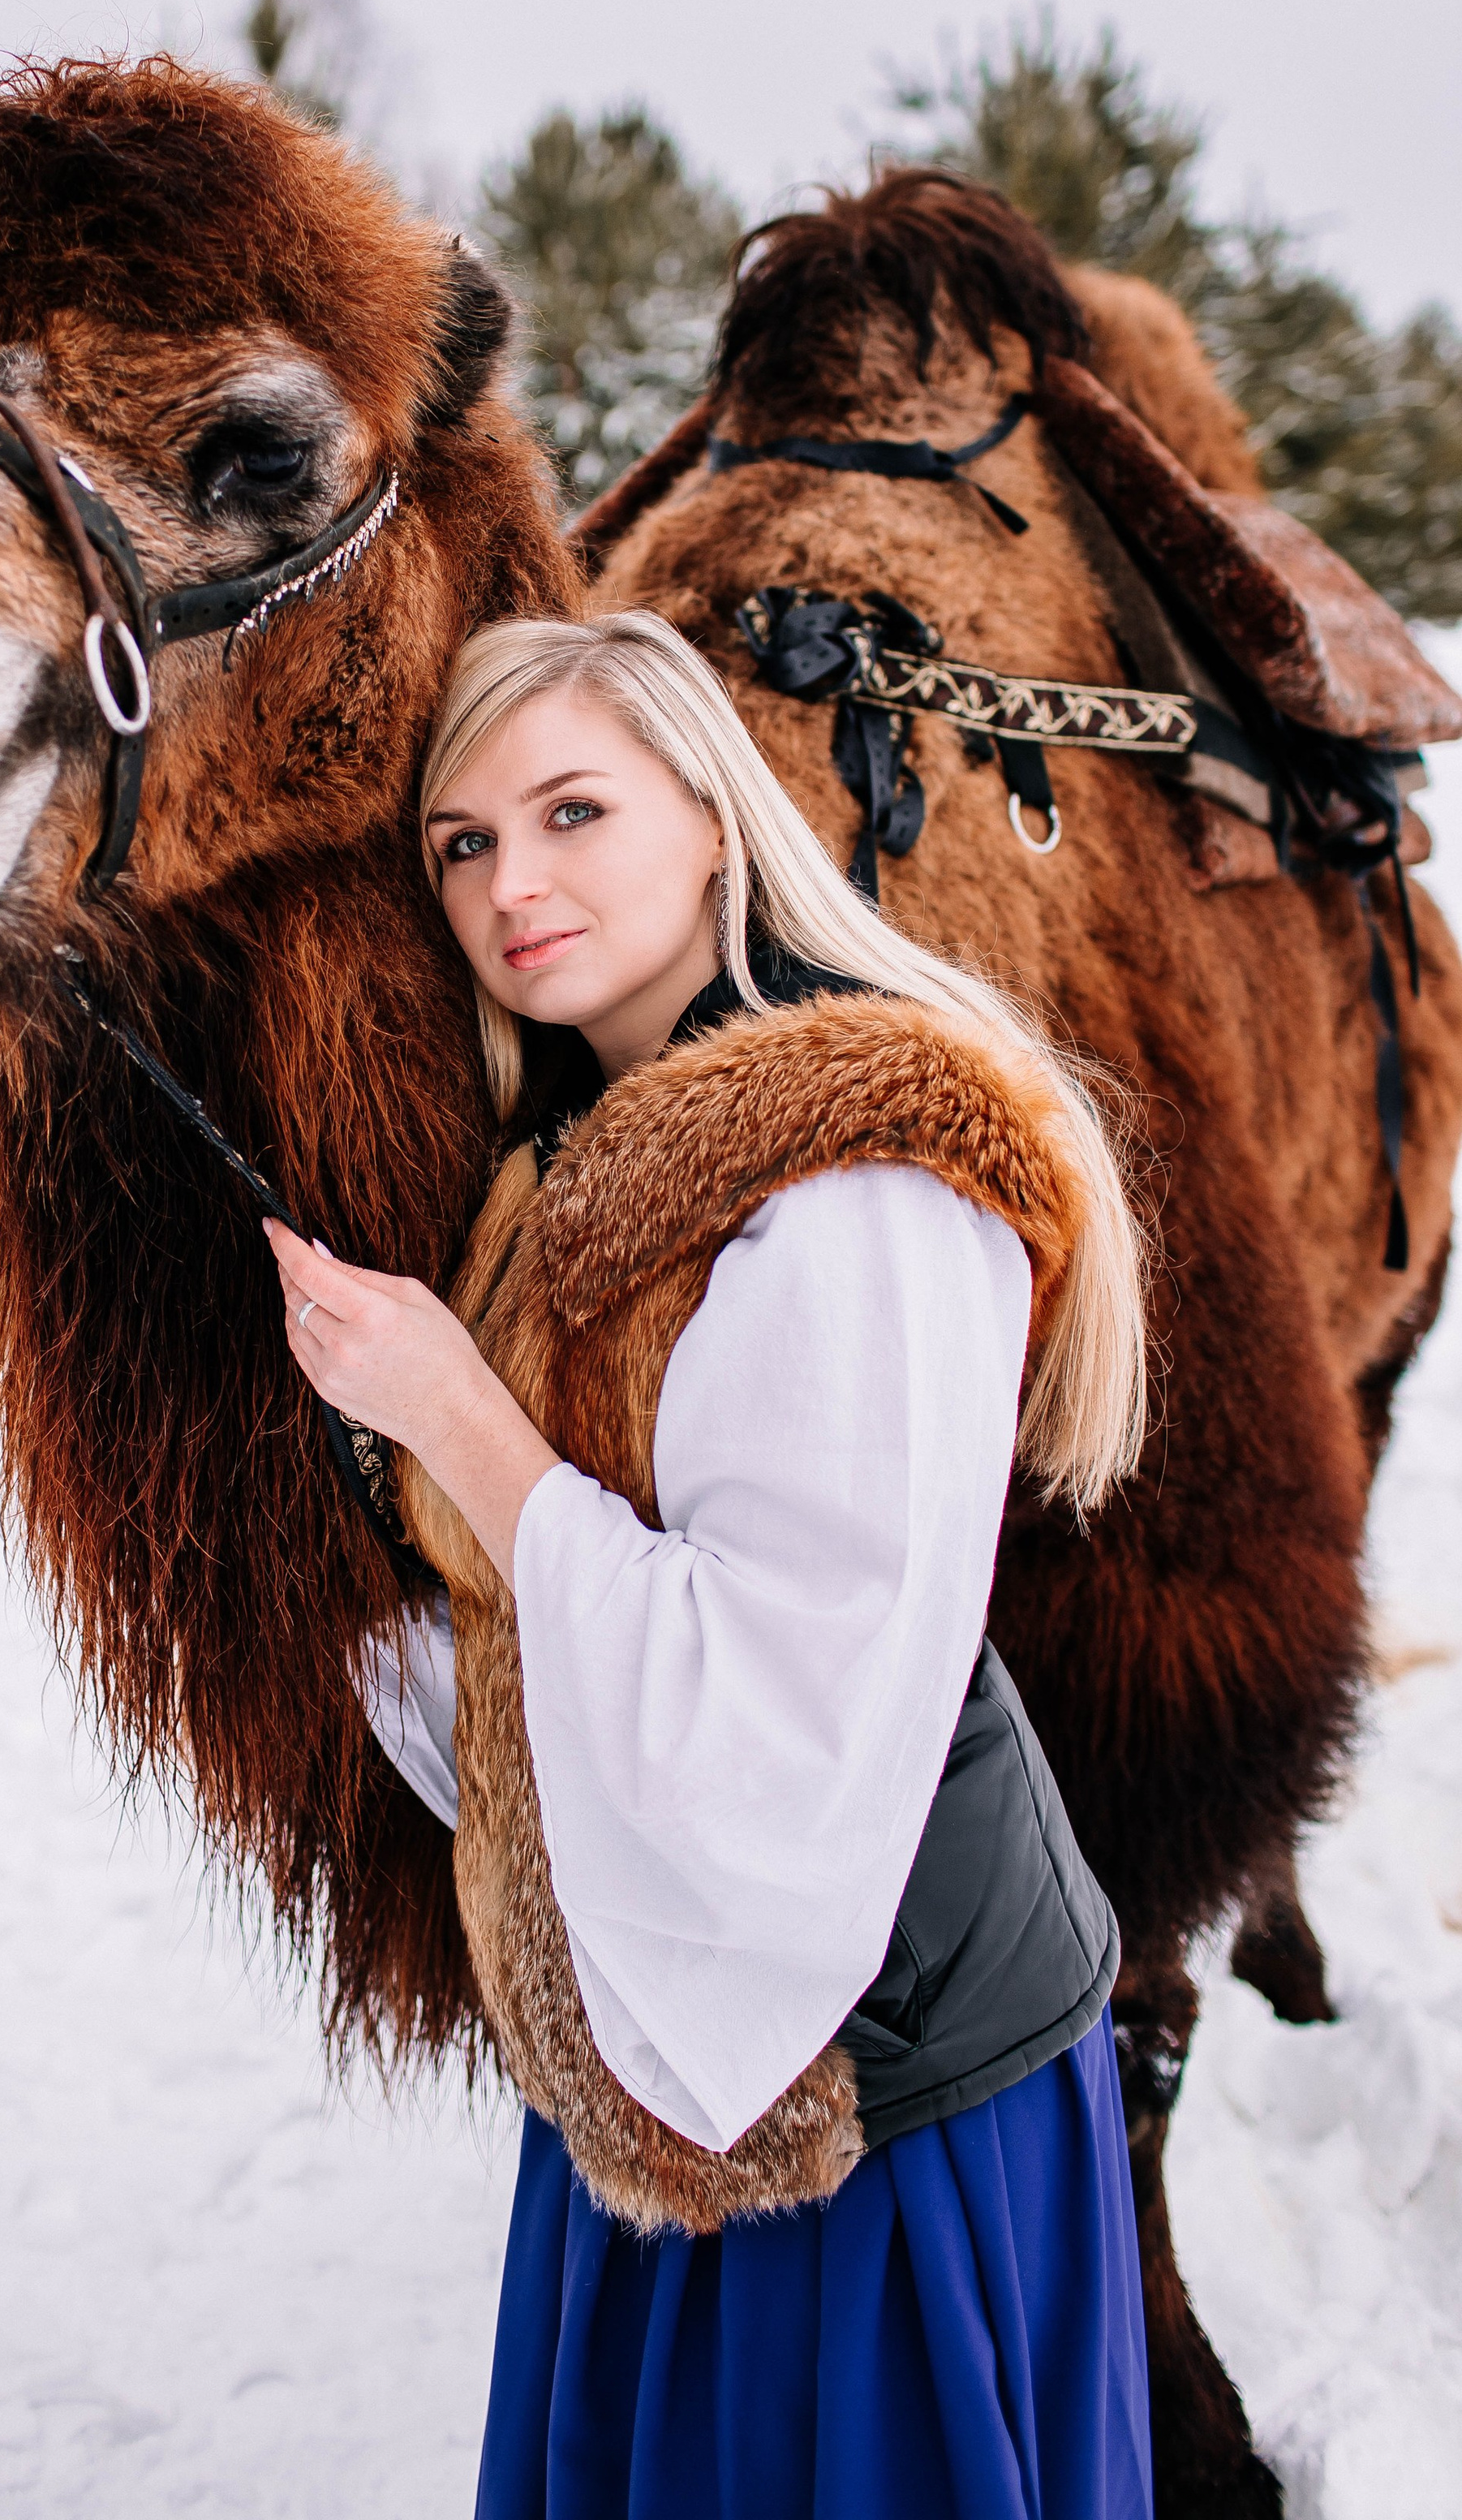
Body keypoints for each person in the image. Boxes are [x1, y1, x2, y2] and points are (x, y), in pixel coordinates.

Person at [264, 610, 1152, 2520]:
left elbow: (776, 1713)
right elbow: (529, 1660)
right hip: (662, 2059)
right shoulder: (570, 1168)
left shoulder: (861, 1184)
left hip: (871, 2091)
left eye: (571, 810)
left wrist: (455, 1420)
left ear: (712, 818)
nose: (513, 885)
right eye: (464, 844)